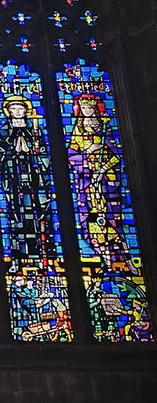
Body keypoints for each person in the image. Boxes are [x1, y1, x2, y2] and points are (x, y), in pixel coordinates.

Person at [67, 94, 136, 273]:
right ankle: (106, 261)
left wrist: (103, 169)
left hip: (106, 184)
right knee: (93, 225)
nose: (86, 111)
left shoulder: (104, 129)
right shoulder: (78, 131)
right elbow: (71, 155)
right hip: (87, 186)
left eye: (89, 108)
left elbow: (115, 155)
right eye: (83, 108)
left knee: (113, 223)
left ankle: (127, 260)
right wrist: (87, 152)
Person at [0, 96, 55, 269]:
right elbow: (0, 156)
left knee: (39, 218)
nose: (17, 112)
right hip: (14, 181)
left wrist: (34, 151)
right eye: (13, 109)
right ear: (9, 112)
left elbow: (45, 155)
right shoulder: (4, 132)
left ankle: (41, 258)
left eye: (20, 108)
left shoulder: (34, 131)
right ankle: (16, 259)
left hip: (35, 180)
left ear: (25, 111)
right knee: (16, 218)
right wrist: (12, 152)